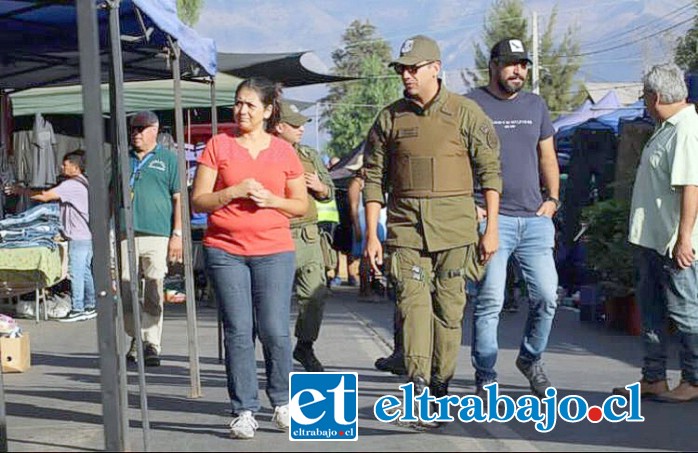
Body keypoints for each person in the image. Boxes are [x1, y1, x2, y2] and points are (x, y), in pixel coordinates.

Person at [363, 34, 502, 420]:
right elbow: (373, 179)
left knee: (449, 311)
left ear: (435, 69)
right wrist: (371, 235)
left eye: (413, 68)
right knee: (413, 307)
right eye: (402, 69)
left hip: (456, 232)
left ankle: (441, 384)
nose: (406, 75)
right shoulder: (389, 118)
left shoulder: (466, 113)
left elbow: (490, 172)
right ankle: (418, 384)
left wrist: (490, 228)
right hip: (406, 230)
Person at [192, 78, 308, 439]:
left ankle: (282, 401)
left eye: (250, 105)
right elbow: (199, 200)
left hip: (273, 251)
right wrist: (233, 191)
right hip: (226, 250)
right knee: (239, 331)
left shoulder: (283, 152)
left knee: (274, 329)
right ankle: (244, 409)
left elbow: (301, 204)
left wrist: (272, 201)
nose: (242, 110)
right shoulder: (218, 146)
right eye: (238, 103)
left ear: (268, 111)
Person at [467, 38, 560, 399]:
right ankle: (486, 375)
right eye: (510, 64)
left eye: (523, 64)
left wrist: (553, 199)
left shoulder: (536, 105)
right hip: (491, 219)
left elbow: (547, 156)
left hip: (535, 219)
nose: (518, 70)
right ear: (493, 66)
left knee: (547, 296)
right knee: (490, 298)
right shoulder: (472, 104)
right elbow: (459, 159)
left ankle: (530, 358)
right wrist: (470, 206)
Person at [612, 63, 698, 403]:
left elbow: (691, 187)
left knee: (685, 310)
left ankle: (693, 380)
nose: (644, 101)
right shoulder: (665, 127)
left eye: (645, 95)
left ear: (656, 95)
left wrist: (684, 238)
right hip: (652, 239)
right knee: (651, 310)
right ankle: (653, 377)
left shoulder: (686, 129)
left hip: (672, 241)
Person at [274, 100, 335, 372]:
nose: (301, 130)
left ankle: (305, 345)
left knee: (314, 296)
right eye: (294, 125)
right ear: (278, 127)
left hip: (309, 237)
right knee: (273, 301)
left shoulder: (309, 155)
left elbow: (330, 192)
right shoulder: (266, 155)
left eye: (302, 125)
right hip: (277, 234)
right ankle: (276, 353)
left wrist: (321, 187)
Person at [122, 111, 182, 367]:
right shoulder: (122, 159)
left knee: (154, 289)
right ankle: (136, 335)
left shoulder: (169, 159)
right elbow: (111, 193)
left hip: (157, 234)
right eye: (134, 129)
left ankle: (151, 343)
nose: (136, 133)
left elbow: (179, 199)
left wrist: (177, 234)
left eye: (142, 129)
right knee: (125, 289)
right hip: (125, 233)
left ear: (155, 130)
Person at [6, 150, 95, 322]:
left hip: (78, 237)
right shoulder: (84, 182)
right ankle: (90, 305)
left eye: (65, 164)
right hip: (86, 235)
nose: (62, 167)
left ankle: (77, 309)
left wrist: (20, 191)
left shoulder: (72, 185)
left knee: (76, 273)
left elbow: (45, 196)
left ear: (75, 167)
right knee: (84, 271)